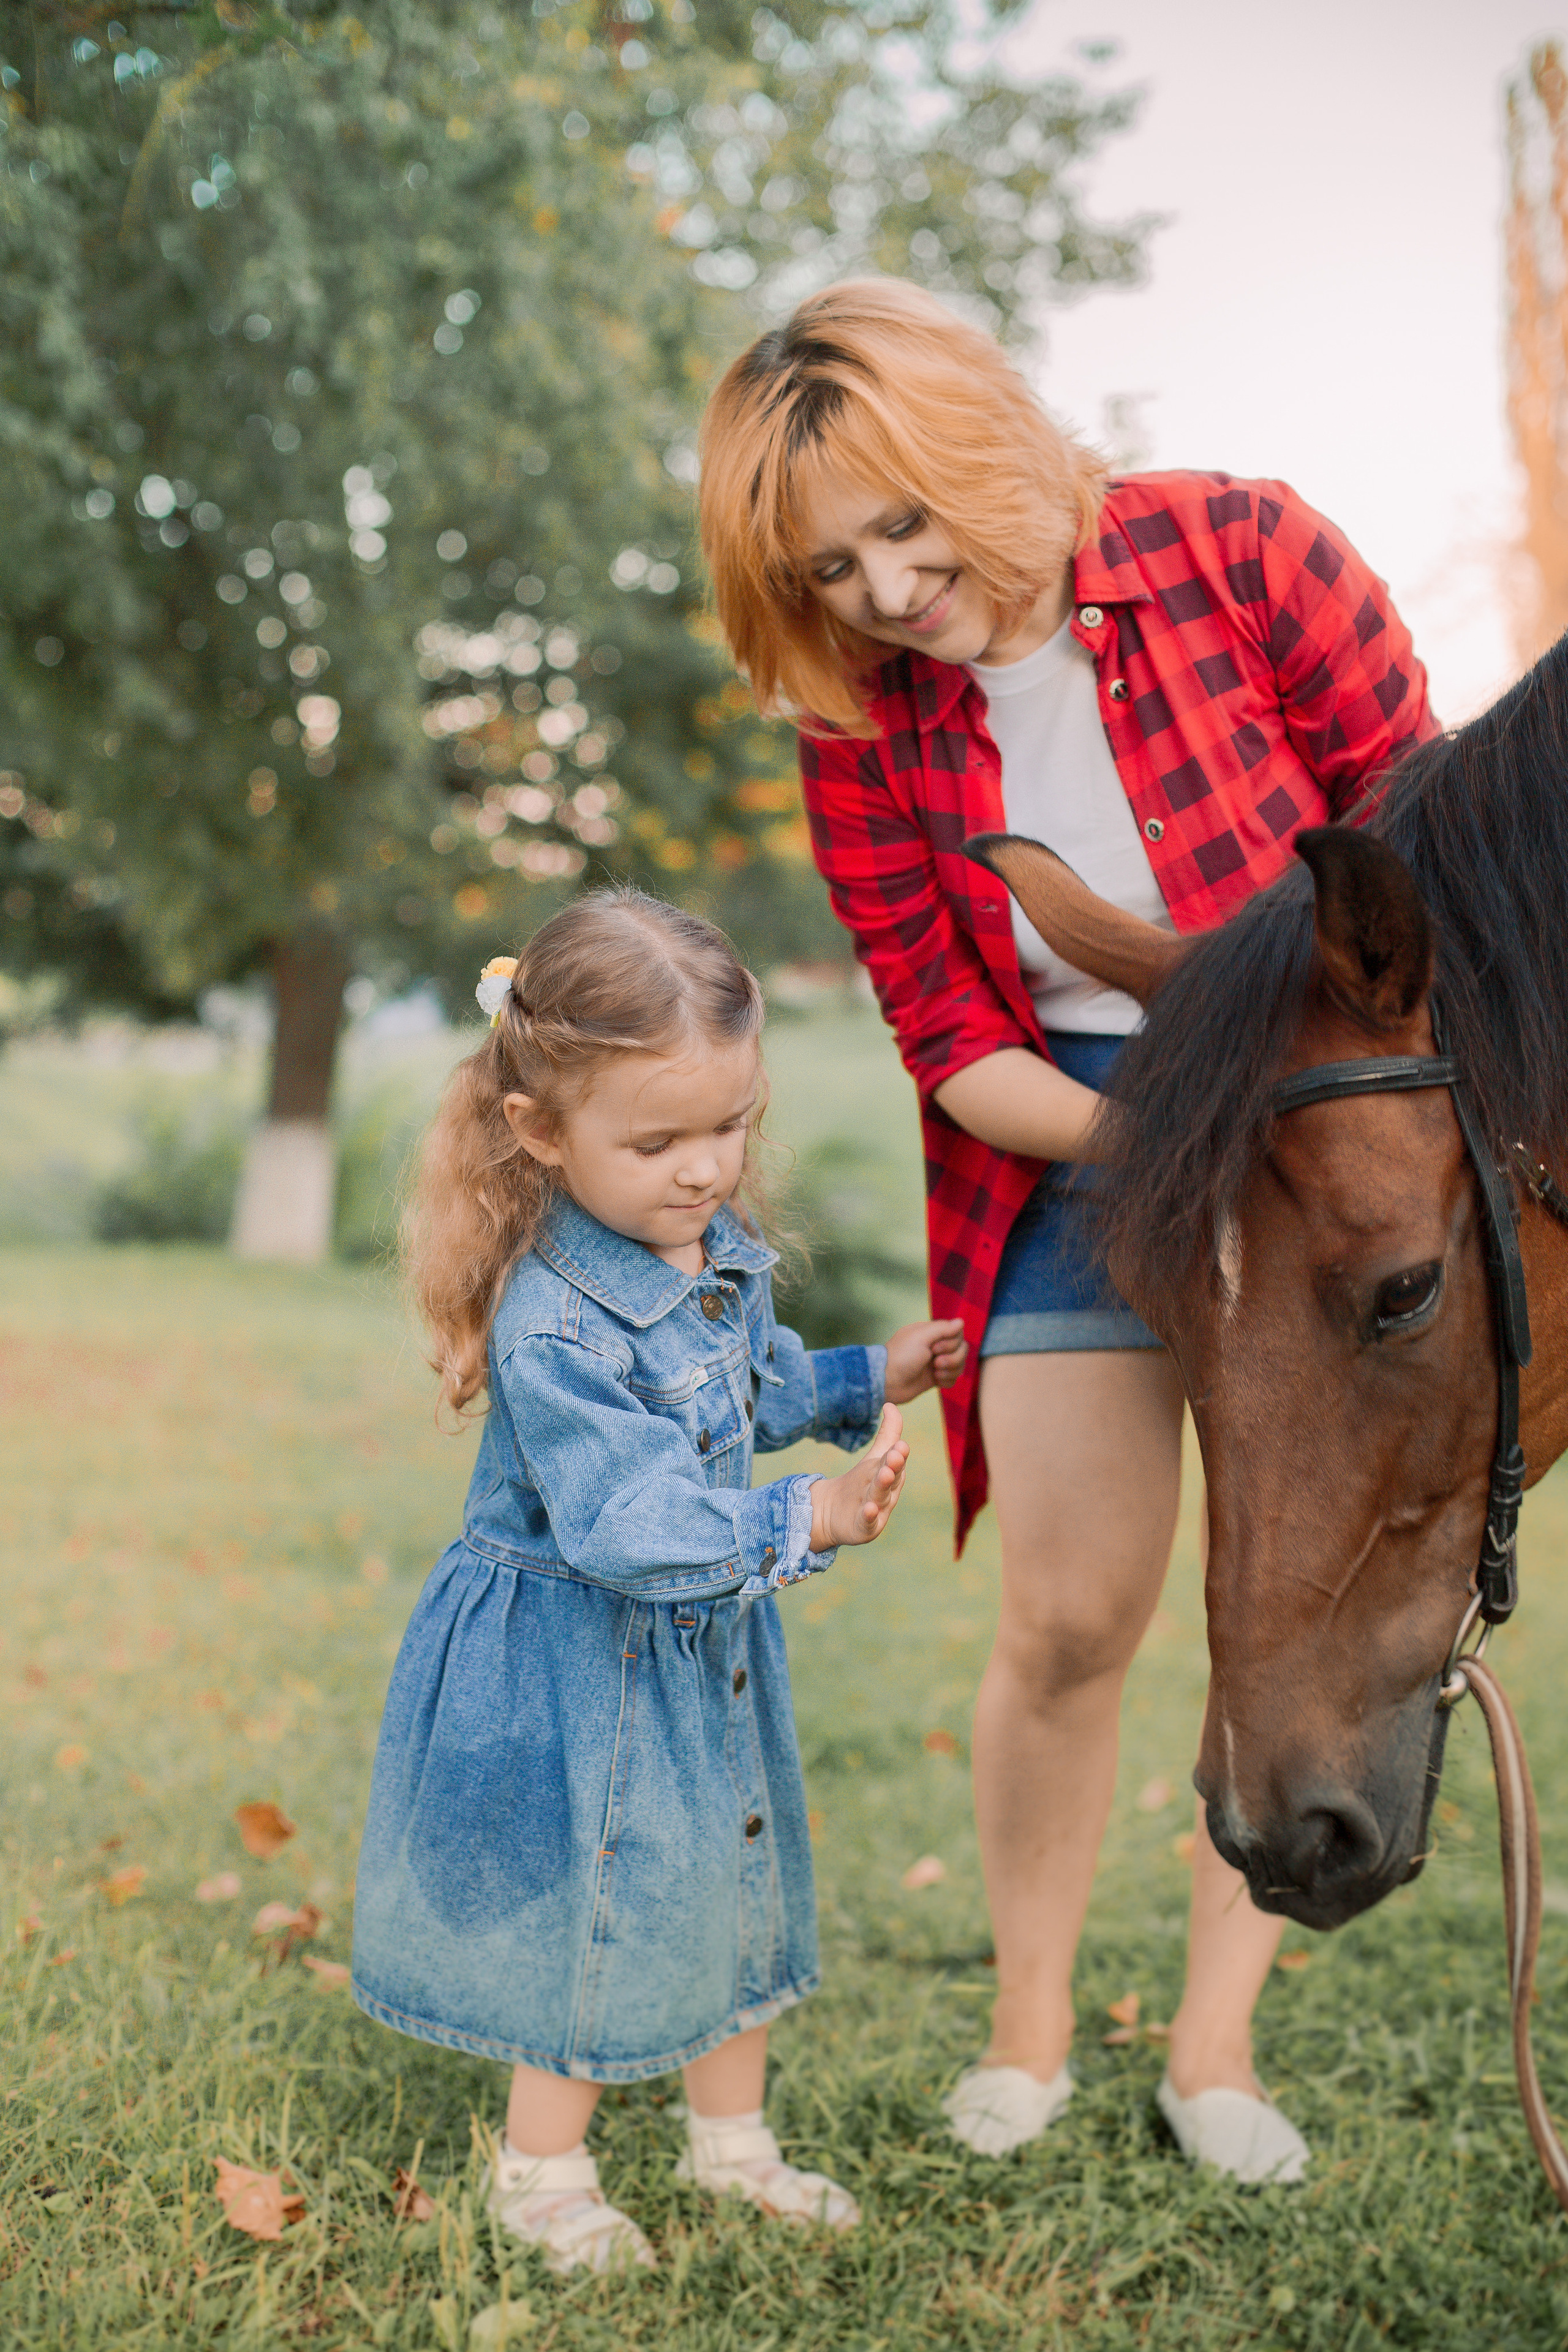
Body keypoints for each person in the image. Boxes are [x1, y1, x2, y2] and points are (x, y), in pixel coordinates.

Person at [698, 277, 1438, 2184]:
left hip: (1326, 1148)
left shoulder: (1243, 552)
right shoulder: (864, 724)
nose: (875, 590)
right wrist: (1171, 1141)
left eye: (900, 525)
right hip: (1083, 1158)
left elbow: (1423, 865)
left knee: (1276, 1610)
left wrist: (1296, 1147)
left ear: (979, 443)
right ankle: (1029, 2027)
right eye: (827, 563)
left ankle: (1216, 2053)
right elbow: (948, 1039)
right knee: (1069, 1612)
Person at [350, 888, 967, 2274]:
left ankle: (731, 2143)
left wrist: (864, 1377)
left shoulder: (704, 1254)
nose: (704, 1169)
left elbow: (739, 1396)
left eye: (730, 1126)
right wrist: (803, 1515)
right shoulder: (554, 1317)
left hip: (689, 1650)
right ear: (538, 1131)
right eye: (658, 1140)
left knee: (724, 1875)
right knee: (598, 1892)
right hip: (570, 1654)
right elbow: (630, 1520)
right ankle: (542, 2172)